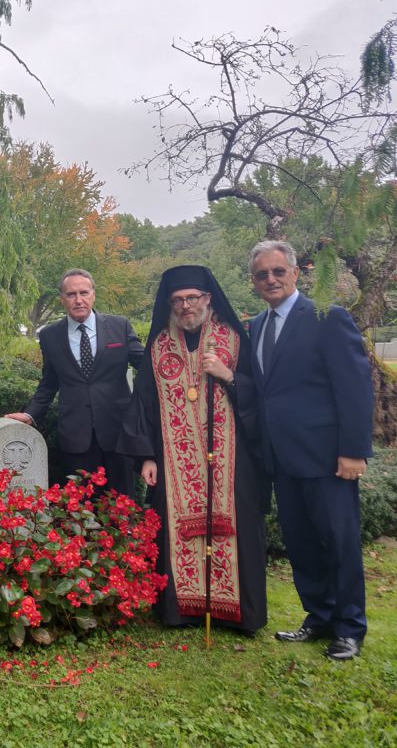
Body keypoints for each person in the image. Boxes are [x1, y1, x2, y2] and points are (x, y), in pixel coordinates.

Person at [118, 265, 267, 635]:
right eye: (178, 300)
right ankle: (181, 609)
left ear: (208, 298)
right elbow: (143, 403)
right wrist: (146, 456)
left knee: (238, 528)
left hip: (232, 460)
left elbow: (261, 394)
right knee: (173, 526)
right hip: (173, 462)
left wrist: (227, 375)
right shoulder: (158, 346)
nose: (186, 306)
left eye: (192, 298)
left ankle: (236, 612)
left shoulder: (234, 339)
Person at [248, 240, 373, 661]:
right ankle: (319, 616)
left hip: (326, 457)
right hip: (281, 459)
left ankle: (349, 627)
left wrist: (353, 450)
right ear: (254, 281)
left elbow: (354, 388)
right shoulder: (257, 326)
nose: (271, 280)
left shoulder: (327, 317)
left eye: (278, 271)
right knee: (301, 543)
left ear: (295, 272)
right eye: (262, 274)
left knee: (338, 543)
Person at [6, 268, 144, 497]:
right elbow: (49, 382)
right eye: (71, 294)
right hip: (76, 436)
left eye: (84, 293)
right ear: (62, 299)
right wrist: (30, 414)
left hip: (118, 433)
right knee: (81, 507)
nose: (78, 300)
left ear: (93, 295)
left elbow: (147, 364)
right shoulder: (50, 336)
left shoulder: (119, 326)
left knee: (122, 505)